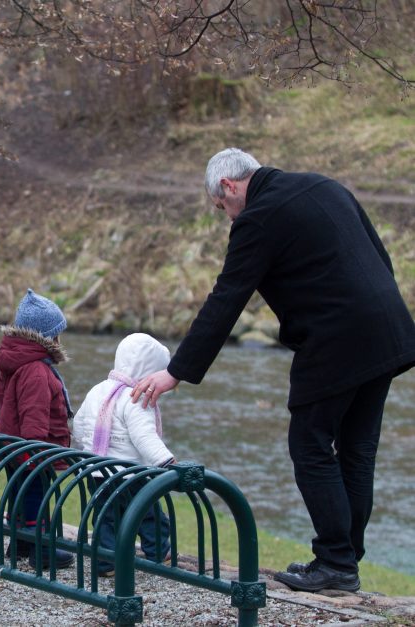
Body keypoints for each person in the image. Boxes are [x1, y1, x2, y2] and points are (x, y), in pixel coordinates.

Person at [130, 148, 415, 592]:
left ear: (229, 186)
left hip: (336, 338)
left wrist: (175, 372)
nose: (226, 216)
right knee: (358, 450)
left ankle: (336, 562)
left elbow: (226, 299)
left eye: (221, 207)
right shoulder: (324, 184)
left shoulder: (258, 218)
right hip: (388, 329)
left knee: (310, 444)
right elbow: (380, 257)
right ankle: (343, 561)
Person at [71, 333, 175, 576]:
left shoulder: (97, 390)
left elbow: (80, 423)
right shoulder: (137, 398)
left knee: (106, 518)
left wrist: (87, 448)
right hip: (130, 475)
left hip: (96, 470)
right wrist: (166, 461)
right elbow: (144, 437)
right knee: (150, 516)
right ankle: (160, 553)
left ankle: (106, 563)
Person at [0, 288, 75, 568]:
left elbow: (5, 400)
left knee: (18, 492)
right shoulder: (37, 370)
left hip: (10, 442)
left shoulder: (16, 359)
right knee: (36, 495)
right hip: (31, 446)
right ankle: (42, 551)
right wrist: (36, 451)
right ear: (47, 336)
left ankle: (20, 544)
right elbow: (34, 414)